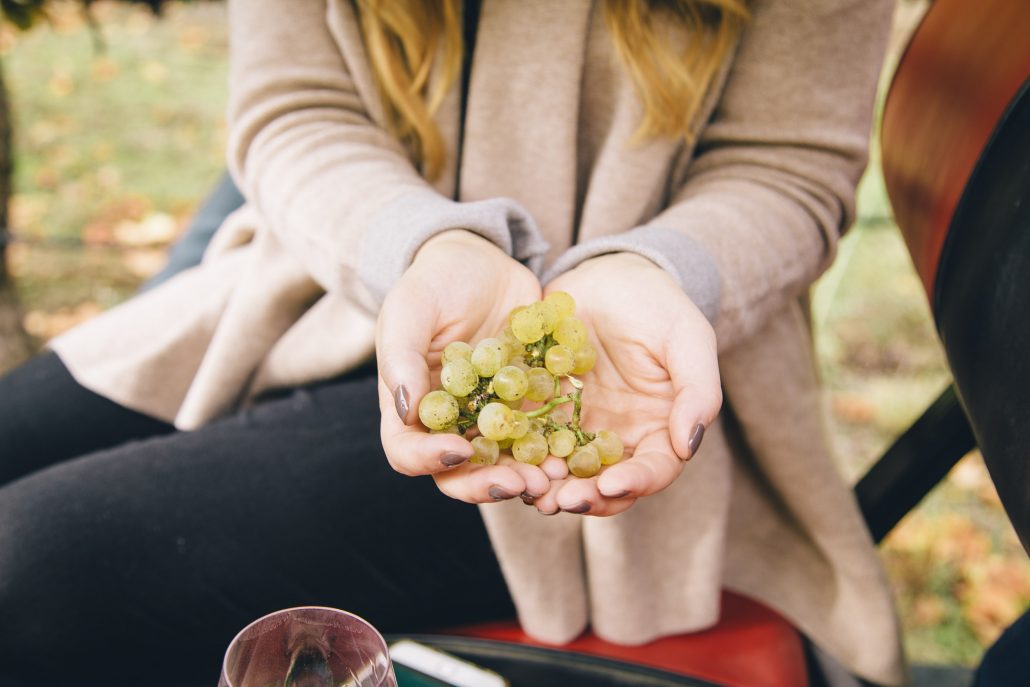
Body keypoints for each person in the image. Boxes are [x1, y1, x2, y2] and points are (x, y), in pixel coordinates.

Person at [0, 1, 905, 685]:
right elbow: (291, 106)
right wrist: (421, 247)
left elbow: (790, 161)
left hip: (625, 380)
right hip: (321, 283)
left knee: (31, 573)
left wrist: (657, 268)